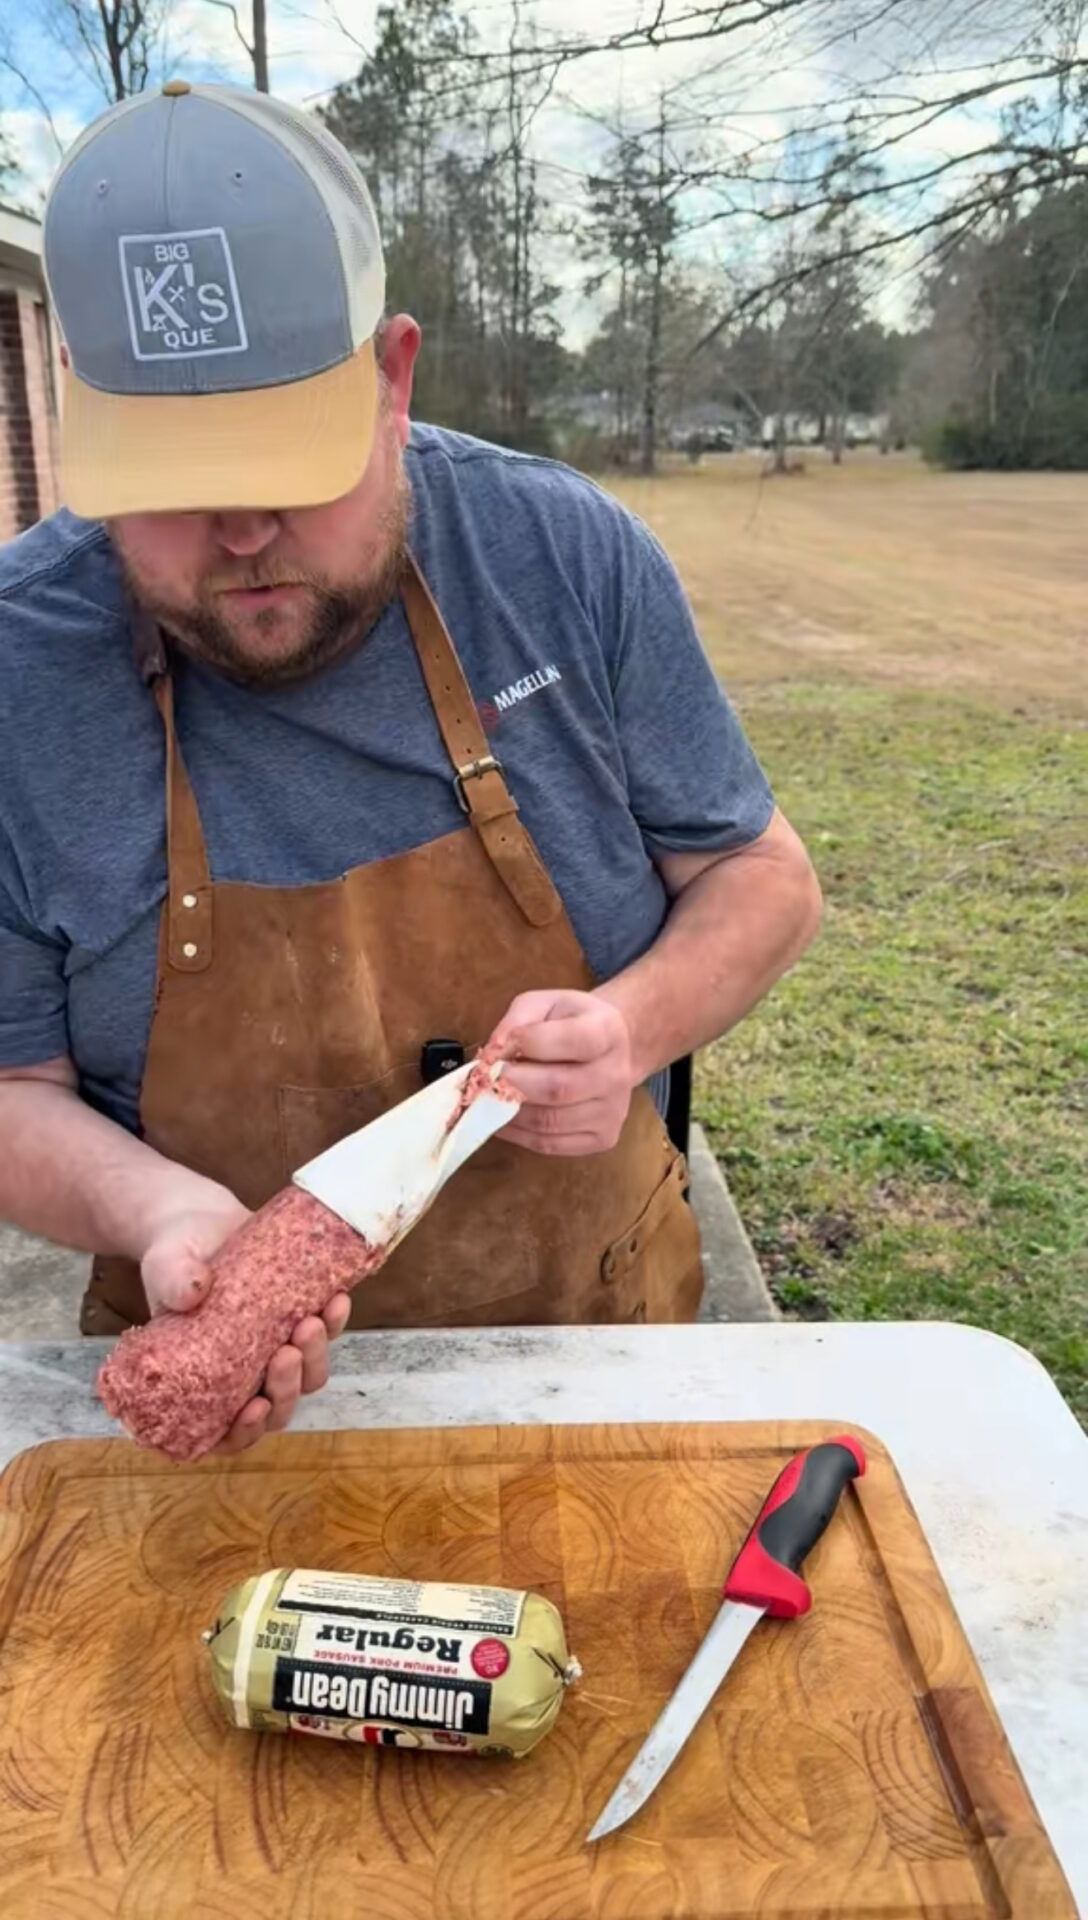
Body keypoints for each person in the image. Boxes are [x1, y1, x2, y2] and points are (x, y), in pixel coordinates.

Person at [0, 82, 821, 1454]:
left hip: (590, 1355)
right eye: (178, 478)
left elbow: (760, 876)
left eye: (285, 457)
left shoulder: (560, 559)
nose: (244, 525)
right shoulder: (20, 674)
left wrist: (632, 1029)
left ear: (393, 376)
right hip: (222, 1423)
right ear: (83, 415)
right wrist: (159, 1216)